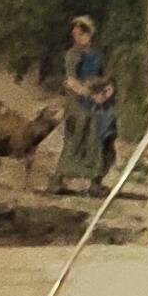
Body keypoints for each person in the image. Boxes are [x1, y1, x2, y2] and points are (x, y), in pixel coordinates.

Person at [56, 15, 117, 194]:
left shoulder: (98, 55)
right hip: (79, 102)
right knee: (77, 138)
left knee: (105, 134)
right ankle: (58, 180)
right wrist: (91, 95)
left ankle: (96, 182)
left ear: (90, 34)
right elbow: (71, 82)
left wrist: (105, 93)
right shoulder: (72, 55)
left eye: (82, 33)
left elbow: (108, 80)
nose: (78, 37)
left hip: (99, 102)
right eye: (75, 34)